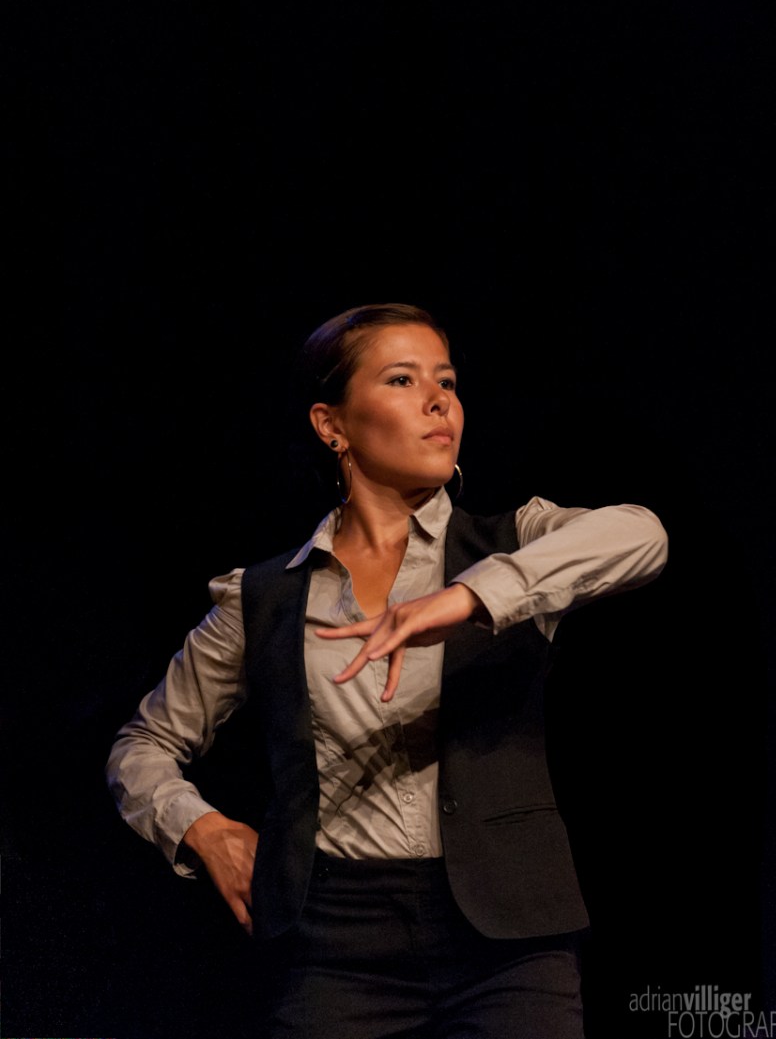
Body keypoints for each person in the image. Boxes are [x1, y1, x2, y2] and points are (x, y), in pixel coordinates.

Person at [106, 301, 668, 1039]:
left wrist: (471, 596)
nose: (439, 401)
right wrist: (202, 828)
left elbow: (642, 534)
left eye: (447, 381)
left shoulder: (513, 543)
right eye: (403, 379)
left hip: (509, 943)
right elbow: (142, 746)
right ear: (331, 425)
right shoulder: (264, 597)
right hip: (337, 944)